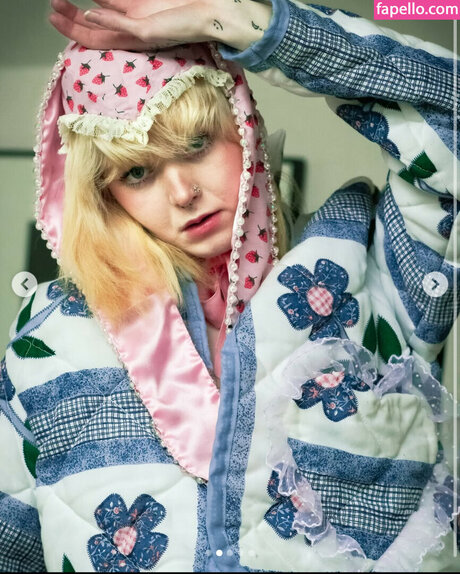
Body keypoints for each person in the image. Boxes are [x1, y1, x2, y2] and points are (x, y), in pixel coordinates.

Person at [0, 0, 458, 571]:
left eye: (196, 144)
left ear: (244, 125)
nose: (182, 193)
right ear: (105, 195)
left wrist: (234, 20)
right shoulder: (51, 337)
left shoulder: (372, 269)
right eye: (137, 172)